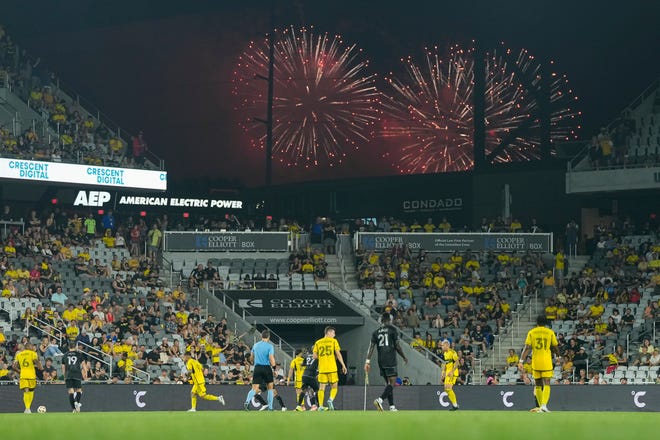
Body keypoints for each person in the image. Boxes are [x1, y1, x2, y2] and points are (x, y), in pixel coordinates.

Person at [364, 312, 408, 411]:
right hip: (390, 359)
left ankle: (392, 406)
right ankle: (380, 400)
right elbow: (397, 346)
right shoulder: (392, 330)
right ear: (389, 320)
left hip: (381, 360)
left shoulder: (376, 332)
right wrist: (404, 357)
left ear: (381, 320)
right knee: (392, 383)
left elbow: (371, 347)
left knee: (388, 384)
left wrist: (367, 361)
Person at [518, 315, 559, 413]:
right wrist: (558, 356)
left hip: (536, 362)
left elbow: (527, 347)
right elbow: (555, 346)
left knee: (538, 384)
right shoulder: (550, 332)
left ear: (537, 323)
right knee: (547, 383)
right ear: (545, 323)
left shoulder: (532, 332)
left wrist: (521, 361)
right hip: (546, 361)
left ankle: (540, 406)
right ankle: (544, 406)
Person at [313, 326, 347, 411]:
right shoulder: (333, 341)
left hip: (322, 369)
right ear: (328, 332)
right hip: (332, 368)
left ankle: (320, 406)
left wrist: (323, 357)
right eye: (333, 333)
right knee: (334, 387)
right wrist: (343, 365)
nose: (334, 335)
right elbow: (338, 354)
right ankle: (330, 400)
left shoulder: (318, 342)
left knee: (321, 388)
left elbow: (314, 356)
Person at [244, 330, 276, 411]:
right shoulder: (270, 346)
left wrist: (255, 359)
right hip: (266, 368)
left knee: (254, 388)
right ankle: (270, 408)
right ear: (268, 337)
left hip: (257, 368)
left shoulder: (255, 345)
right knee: (270, 388)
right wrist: (274, 368)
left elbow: (251, 358)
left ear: (261, 336)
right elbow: (271, 358)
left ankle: (247, 402)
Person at [13, 343, 42, 413]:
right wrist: (40, 367)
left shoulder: (19, 354)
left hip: (23, 375)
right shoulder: (33, 353)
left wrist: (20, 371)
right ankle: (28, 408)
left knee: (26, 391)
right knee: (31, 391)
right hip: (31, 375)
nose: (32, 347)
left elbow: (14, 366)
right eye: (31, 346)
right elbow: (36, 361)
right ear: (28, 346)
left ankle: (27, 408)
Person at [62, 342, 88, 413]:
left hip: (68, 374)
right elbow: (83, 365)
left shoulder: (65, 355)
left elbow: (63, 367)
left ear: (68, 347)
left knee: (71, 392)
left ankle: (73, 409)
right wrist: (85, 373)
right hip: (77, 374)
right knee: (79, 390)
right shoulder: (79, 354)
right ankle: (77, 402)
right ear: (75, 347)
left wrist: (64, 376)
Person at [440, 339, 459, 411]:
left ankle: (455, 405)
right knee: (446, 389)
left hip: (452, 373)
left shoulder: (452, 352)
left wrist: (452, 371)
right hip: (447, 372)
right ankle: (455, 405)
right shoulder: (445, 354)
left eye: (442, 345)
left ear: (447, 345)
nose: (442, 347)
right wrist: (443, 373)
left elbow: (457, 362)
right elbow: (444, 363)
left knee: (448, 388)